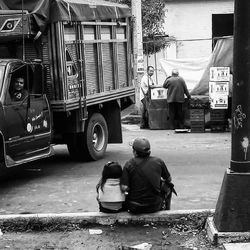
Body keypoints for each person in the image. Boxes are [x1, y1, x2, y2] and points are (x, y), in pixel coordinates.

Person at [121, 138, 173, 214]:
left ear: (135, 152)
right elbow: (169, 179)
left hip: (135, 207)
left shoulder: (129, 164)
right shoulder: (158, 161)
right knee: (168, 187)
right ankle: (167, 211)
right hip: (154, 206)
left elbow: (124, 188)